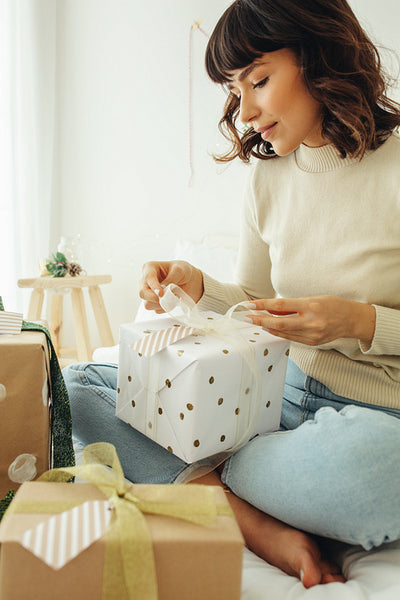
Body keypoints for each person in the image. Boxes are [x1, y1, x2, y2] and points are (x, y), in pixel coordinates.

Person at [63, 0, 400, 589]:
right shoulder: (268, 178)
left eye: (260, 80)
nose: (244, 111)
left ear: (318, 54)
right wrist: (200, 287)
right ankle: (255, 522)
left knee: (377, 473)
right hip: (273, 401)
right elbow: (253, 301)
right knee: (77, 389)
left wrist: (360, 322)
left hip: (375, 420)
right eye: (234, 88)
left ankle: (197, 473)